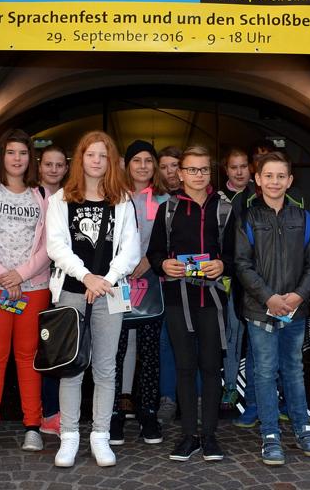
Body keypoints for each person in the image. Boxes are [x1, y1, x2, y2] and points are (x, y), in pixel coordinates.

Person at [45, 131, 141, 467]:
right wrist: (86, 276)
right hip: (71, 292)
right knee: (70, 367)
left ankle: (100, 435)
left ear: (111, 161)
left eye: (103, 155)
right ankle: (69, 436)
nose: (97, 161)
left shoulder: (122, 200)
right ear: (80, 159)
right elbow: (56, 246)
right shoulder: (61, 199)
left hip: (110, 294)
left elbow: (131, 248)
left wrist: (106, 280)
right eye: (90, 155)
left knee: (105, 367)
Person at [235, 151, 310, 465]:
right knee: (264, 371)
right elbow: (242, 265)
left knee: (294, 369)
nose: (275, 181)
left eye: (280, 176)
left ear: (290, 180)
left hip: (295, 310)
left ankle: (303, 427)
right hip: (261, 310)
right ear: (258, 180)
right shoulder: (247, 218)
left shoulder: (304, 218)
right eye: (268, 176)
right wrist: (269, 297)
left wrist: (298, 296)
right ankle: (270, 434)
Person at [148, 145, 234, 462]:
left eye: (204, 169)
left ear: (210, 172)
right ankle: (188, 436)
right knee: (185, 367)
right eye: (192, 169)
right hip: (177, 299)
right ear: (180, 173)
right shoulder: (168, 210)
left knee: (210, 367)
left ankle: (209, 436)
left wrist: (222, 265)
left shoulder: (224, 209)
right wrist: (163, 265)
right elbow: (155, 253)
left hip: (212, 299)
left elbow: (236, 256)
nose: (198, 175)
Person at [0, 129, 51, 455]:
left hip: (34, 286)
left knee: (29, 356)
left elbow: (49, 245)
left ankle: (32, 426)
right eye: (10, 152)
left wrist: (21, 275)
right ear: (0, 156)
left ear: (30, 158)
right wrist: (5, 278)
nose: (17, 159)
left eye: (22, 153)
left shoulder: (42, 194)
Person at [110, 140, 168, 446]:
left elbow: (170, 239)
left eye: (148, 160)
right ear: (126, 165)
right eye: (137, 160)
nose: (143, 166)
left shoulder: (165, 199)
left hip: (151, 282)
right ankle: (115, 413)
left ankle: (148, 412)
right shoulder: (112, 195)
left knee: (149, 350)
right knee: (115, 350)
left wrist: (149, 260)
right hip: (117, 282)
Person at [36, 145, 68, 438]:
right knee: (42, 350)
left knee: (59, 349)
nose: (54, 169)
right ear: (40, 166)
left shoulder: (72, 196)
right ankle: (44, 412)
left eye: (59, 164)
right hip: (34, 280)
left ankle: (55, 413)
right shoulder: (31, 195)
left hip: (61, 282)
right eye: (49, 164)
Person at [218, 148, 251, 412]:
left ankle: (258, 391)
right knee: (232, 331)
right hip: (228, 275)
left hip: (256, 275)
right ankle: (230, 385)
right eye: (233, 167)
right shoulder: (217, 198)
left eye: (243, 166)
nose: (239, 172)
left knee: (258, 336)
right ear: (226, 170)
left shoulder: (260, 194)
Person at [155, 144, 182, 423]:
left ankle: (196, 398)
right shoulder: (155, 200)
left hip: (197, 283)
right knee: (166, 343)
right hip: (161, 283)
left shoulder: (203, 198)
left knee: (198, 344)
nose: (170, 172)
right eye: (163, 167)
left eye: (174, 165)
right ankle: (167, 398)